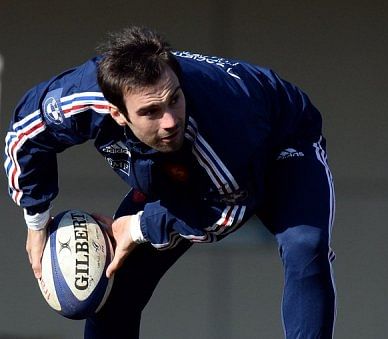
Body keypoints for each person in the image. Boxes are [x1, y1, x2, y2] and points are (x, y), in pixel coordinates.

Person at [4, 26, 336, 338]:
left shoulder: (219, 126)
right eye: (150, 111)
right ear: (116, 112)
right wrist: (36, 219)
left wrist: (136, 228)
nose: (169, 121)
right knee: (116, 280)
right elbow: (25, 135)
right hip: (182, 164)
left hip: (280, 140)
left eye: (174, 99)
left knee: (304, 245)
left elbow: (228, 208)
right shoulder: (80, 97)